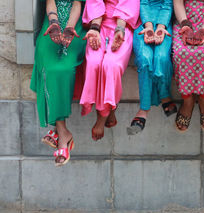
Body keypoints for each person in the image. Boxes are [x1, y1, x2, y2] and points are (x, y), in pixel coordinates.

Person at [31, 0, 86, 166]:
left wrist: (68, 28)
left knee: (63, 70)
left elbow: (77, 4)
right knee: (48, 68)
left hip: (74, 25)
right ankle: (63, 134)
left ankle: (59, 132)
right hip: (51, 25)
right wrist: (54, 23)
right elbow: (50, 2)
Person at [80, 0, 140, 141]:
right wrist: (95, 27)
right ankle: (110, 109)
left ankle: (102, 117)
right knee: (94, 63)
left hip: (122, 24)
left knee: (111, 65)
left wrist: (120, 29)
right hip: (98, 23)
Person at [172, 0, 204, 132]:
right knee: (181, 53)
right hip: (183, 20)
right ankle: (187, 99)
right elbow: (177, 3)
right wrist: (185, 25)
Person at [127, 0, 177, 135]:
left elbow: (167, 4)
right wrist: (148, 26)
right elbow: (143, 3)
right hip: (142, 23)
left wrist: (161, 27)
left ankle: (164, 94)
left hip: (164, 23)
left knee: (161, 58)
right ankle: (144, 108)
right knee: (145, 58)